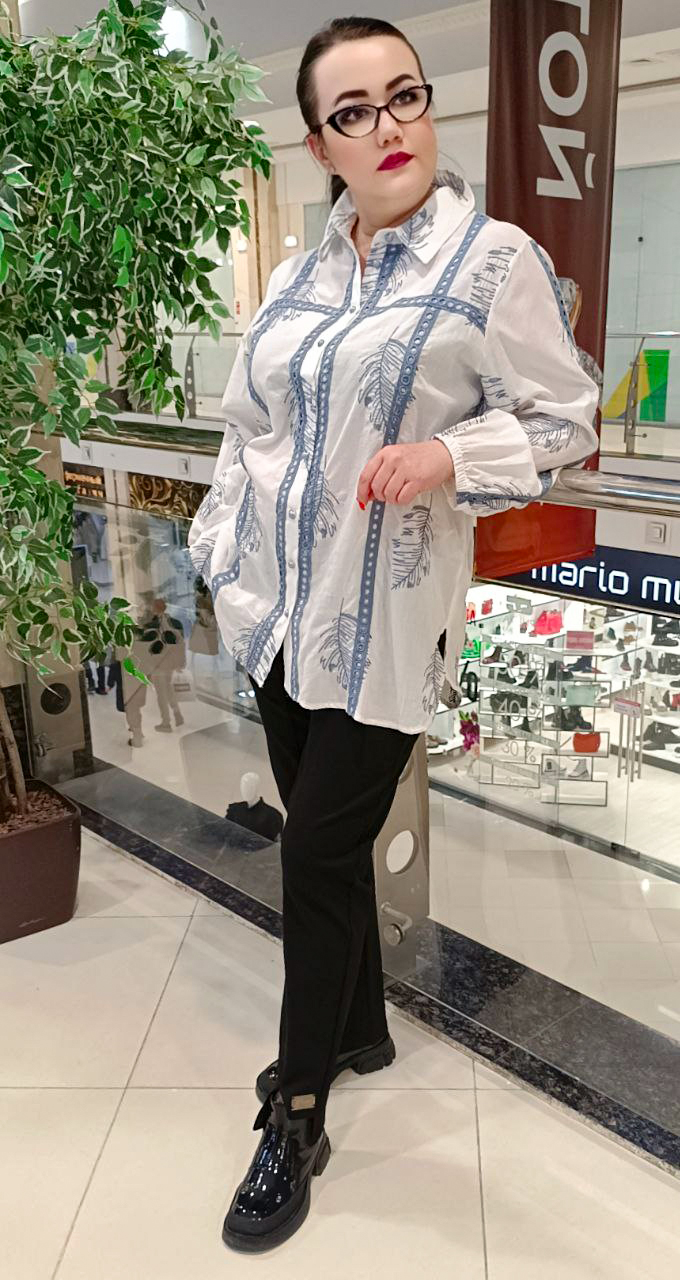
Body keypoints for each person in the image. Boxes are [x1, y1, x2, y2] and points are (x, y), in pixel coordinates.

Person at [187, 16, 599, 1254]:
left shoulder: (492, 260)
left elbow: (567, 420)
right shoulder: (294, 277)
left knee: (315, 854)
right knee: (323, 850)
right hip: (275, 612)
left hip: (383, 625)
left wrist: (448, 455)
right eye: (353, 111)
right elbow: (248, 425)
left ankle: (296, 1108)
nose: (389, 126)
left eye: (404, 96)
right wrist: (218, 548)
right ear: (319, 144)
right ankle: (357, 1027)